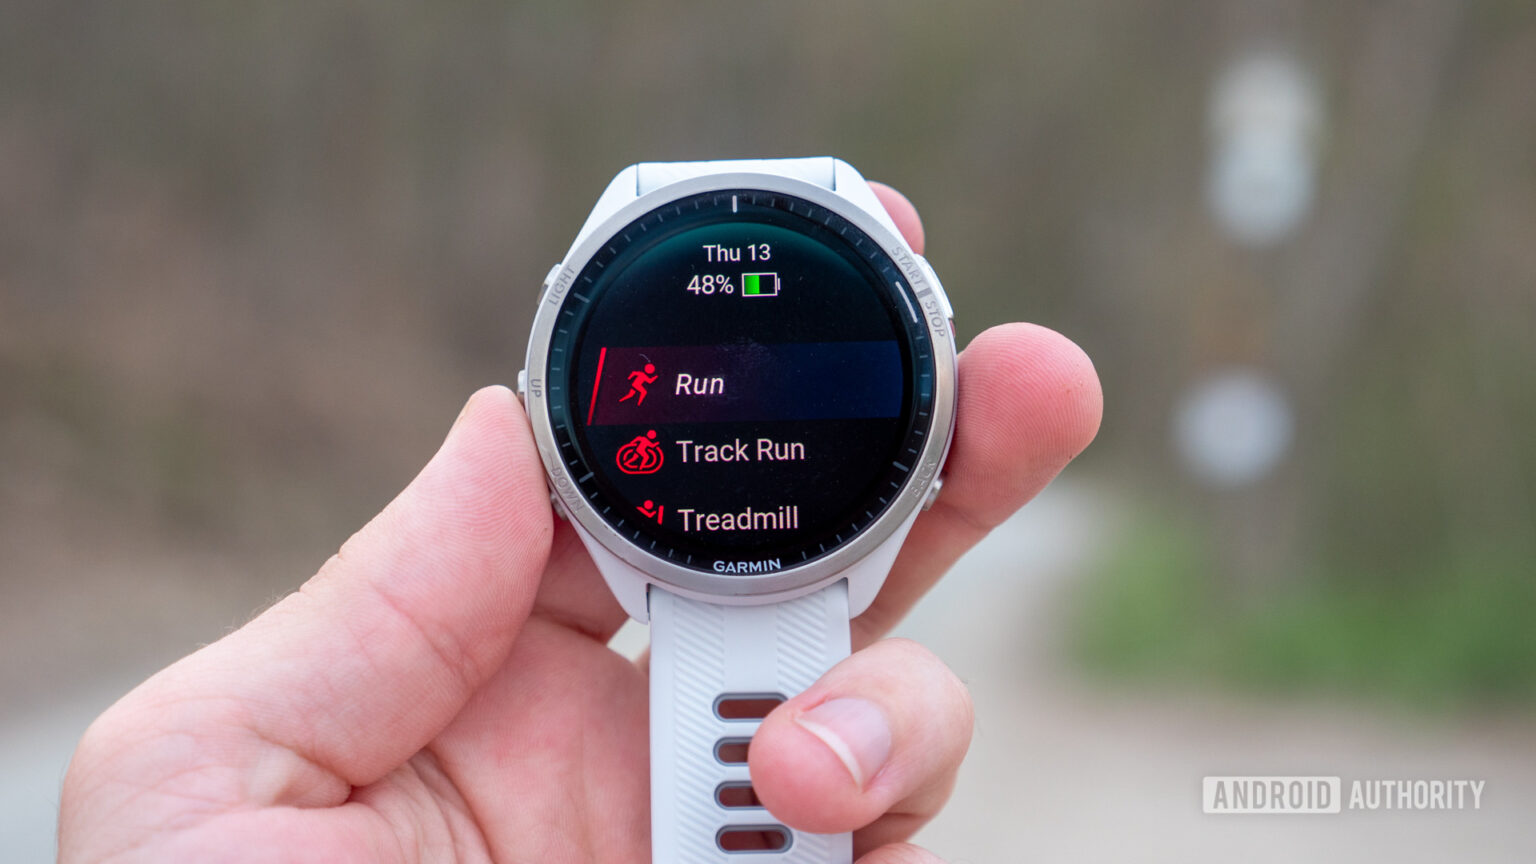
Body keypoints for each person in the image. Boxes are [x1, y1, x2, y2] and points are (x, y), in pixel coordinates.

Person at [57, 185, 1102, 864]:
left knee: (835, 760)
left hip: (806, 550)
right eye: (699, 373)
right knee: (834, 757)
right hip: (736, 547)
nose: (728, 385)